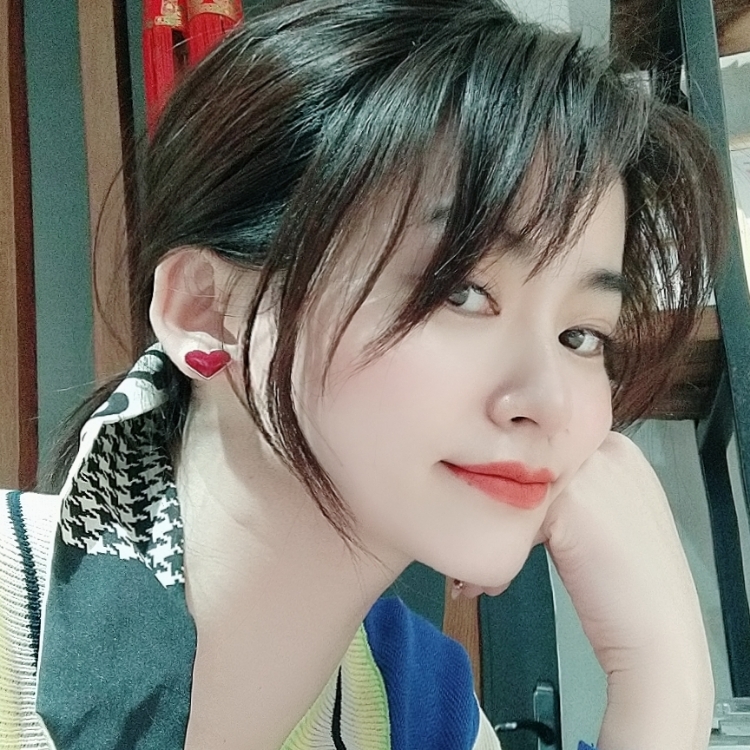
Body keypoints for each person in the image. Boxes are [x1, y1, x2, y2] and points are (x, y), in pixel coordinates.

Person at [0, 0, 728, 748]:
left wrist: (662, 680)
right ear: (209, 312)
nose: (548, 403)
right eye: (460, 291)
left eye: (582, 335)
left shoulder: (426, 709)